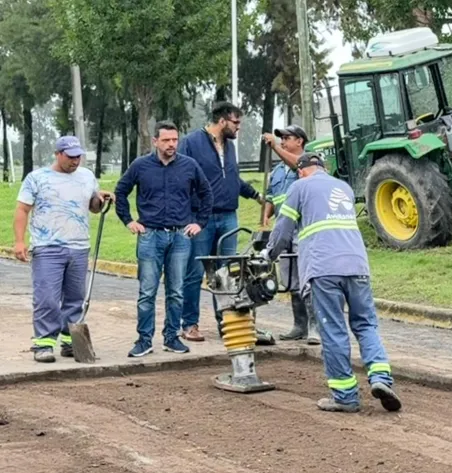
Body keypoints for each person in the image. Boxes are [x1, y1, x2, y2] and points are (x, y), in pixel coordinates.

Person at [265, 152, 401, 414]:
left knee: (333, 330)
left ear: (302, 171)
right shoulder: (343, 187)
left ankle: (345, 397)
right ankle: (381, 378)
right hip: (358, 265)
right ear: (323, 168)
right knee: (366, 324)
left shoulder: (299, 186)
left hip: (323, 268)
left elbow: (283, 230)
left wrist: (268, 255)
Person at [177, 102, 275, 345]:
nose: (238, 127)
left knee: (228, 274)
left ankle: (227, 323)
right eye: (236, 122)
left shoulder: (229, 147)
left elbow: (232, 178)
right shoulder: (191, 143)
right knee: (195, 271)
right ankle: (189, 324)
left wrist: (256, 196)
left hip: (229, 217)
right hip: (201, 218)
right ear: (222, 121)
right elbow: (182, 178)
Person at [115, 121, 213, 358]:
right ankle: (144, 340)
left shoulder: (189, 166)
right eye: (167, 140)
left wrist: (199, 223)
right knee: (147, 291)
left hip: (180, 236)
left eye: (175, 140)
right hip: (150, 235)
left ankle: (171, 337)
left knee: (176, 290)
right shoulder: (140, 165)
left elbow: (206, 193)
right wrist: (129, 221)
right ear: (155, 141)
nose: (171, 144)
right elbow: (121, 191)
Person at [12, 136, 115, 363]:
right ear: (58, 154)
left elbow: (93, 207)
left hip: (79, 246)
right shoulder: (37, 178)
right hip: (47, 247)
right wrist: (19, 241)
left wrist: (100, 200)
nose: (75, 161)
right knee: (47, 297)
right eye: (70, 157)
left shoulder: (87, 177)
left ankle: (70, 342)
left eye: (78, 156)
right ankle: (43, 343)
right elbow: (22, 210)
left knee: (75, 298)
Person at [261, 124, 319, 344]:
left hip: (302, 230)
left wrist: (275, 147)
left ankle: (315, 327)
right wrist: (266, 216)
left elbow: (296, 165)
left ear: (300, 141)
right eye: (281, 138)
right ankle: (299, 325)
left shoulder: (308, 163)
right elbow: (271, 196)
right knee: (291, 280)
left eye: (287, 137)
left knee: (307, 279)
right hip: (282, 229)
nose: (283, 141)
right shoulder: (277, 171)